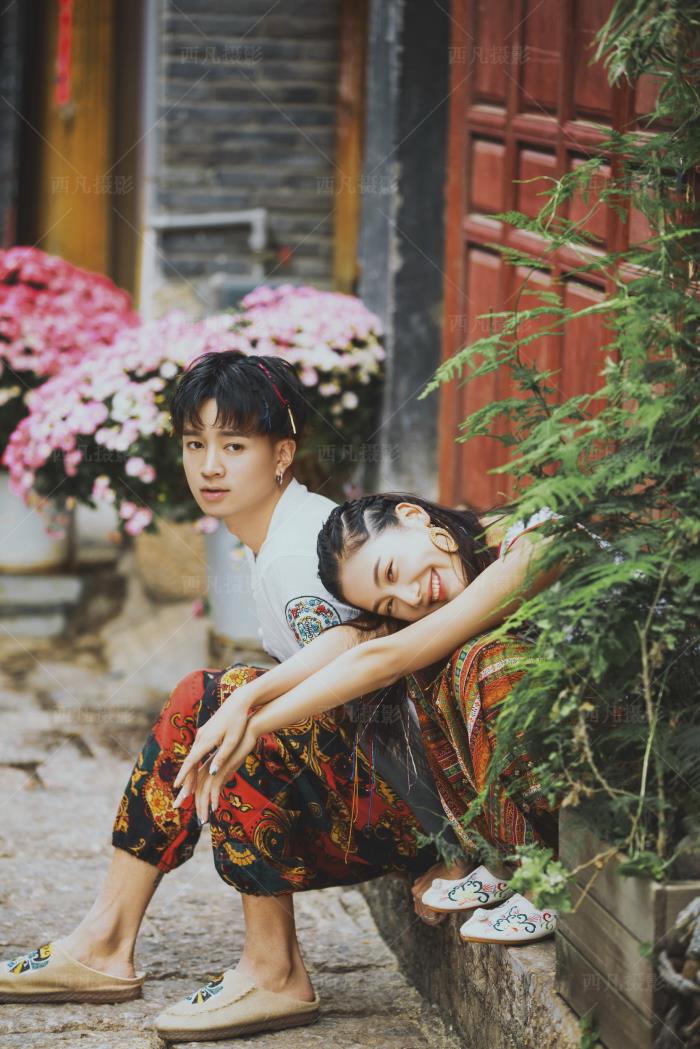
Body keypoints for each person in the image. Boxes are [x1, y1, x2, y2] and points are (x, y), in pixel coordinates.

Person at [0, 351, 461, 1041]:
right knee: (214, 698)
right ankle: (106, 938)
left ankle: (267, 968)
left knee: (228, 701)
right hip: (385, 797)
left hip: (410, 810)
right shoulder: (282, 536)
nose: (210, 466)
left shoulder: (301, 557)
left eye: (234, 446)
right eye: (196, 444)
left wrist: (444, 853)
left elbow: (378, 698)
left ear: (283, 454)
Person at [173, 496, 567, 957]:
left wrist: (257, 725)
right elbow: (355, 640)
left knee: (478, 660)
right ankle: (511, 860)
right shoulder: (457, 570)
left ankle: (551, 881)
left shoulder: (537, 536)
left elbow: (385, 658)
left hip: (620, 736)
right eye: (389, 602)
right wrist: (245, 701)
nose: (411, 597)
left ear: (414, 516)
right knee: (443, 665)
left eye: (392, 571)